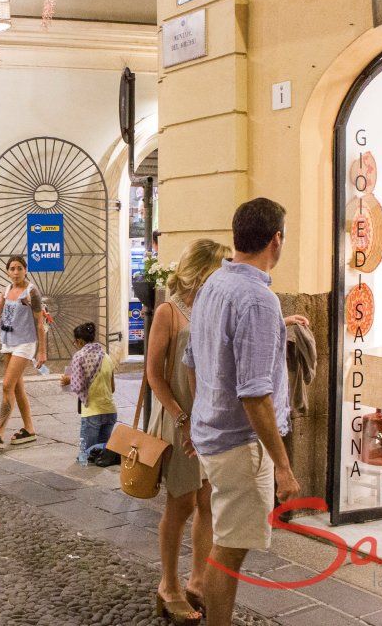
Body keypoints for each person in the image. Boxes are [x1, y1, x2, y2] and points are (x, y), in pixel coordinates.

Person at [184, 199, 302, 626]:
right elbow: (255, 395)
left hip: (214, 435)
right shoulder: (257, 299)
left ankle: (203, 593)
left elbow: (193, 361)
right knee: (229, 551)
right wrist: (283, 467)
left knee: (226, 541)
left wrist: (201, 419)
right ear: (276, 239)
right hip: (240, 444)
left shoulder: (213, 284)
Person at [144, 238, 230, 623]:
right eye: (221, 265)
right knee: (181, 504)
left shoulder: (213, 307)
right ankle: (168, 585)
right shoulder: (169, 311)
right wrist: (181, 418)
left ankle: (197, 580)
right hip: (177, 417)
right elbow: (153, 375)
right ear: (202, 268)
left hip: (208, 419)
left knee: (208, 501)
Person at [0, 256, 47, 449]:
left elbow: (40, 324)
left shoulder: (31, 292)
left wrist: (42, 351)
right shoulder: (7, 291)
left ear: (25, 270)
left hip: (24, 343)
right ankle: (29, 429)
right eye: (12, 269)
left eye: (19, 268)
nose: (15, 272)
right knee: (16, 387)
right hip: (7, 342)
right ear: (8, 272)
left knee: (7, 385)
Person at [62, 322, 116, 466]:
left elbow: (78, 385)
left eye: (75, 342)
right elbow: (112, 388)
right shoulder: (107, 357)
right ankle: (111, 449)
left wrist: (68, 380)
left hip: (92, 412)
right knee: (100, 457)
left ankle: (116, 451)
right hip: (110, 411)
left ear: (79, 341)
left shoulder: (79, 356)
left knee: (84, 457)